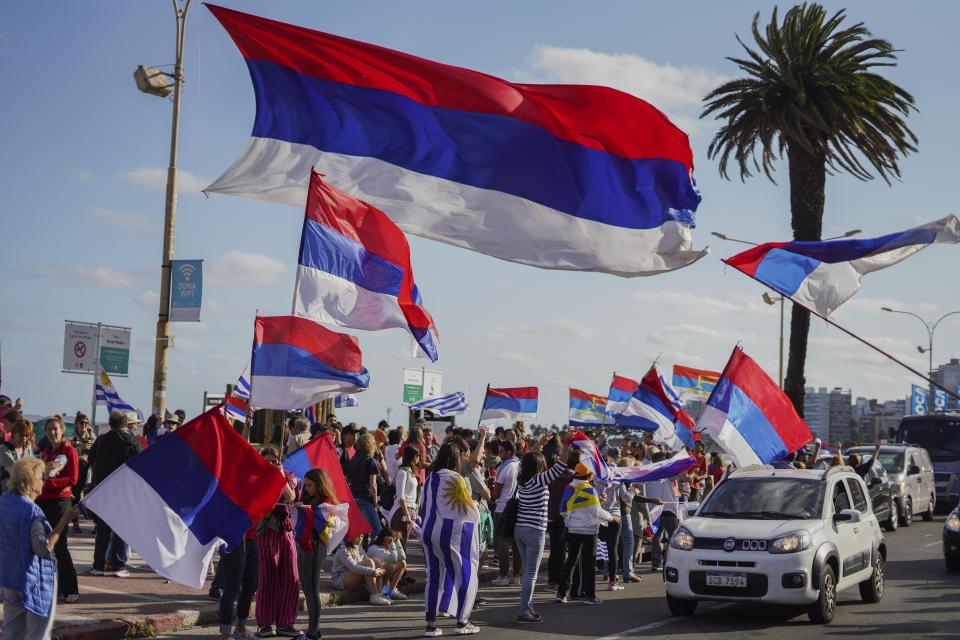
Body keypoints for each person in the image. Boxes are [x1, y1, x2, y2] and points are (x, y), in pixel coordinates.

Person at [0, 457, 80, 639]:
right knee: (38, 634)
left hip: (9, 578)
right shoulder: (32, 511)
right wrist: (64, 520)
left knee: (12, 633)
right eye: (41, 478)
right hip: (34, 580)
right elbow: (42, 548)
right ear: (31, 483)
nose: (43, 481)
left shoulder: (4, 501)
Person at [512, 435, 570, 623]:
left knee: (527, 572)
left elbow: (525, 458)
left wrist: (540, 444)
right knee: (531, 574)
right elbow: (561, 466)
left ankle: (526, 607)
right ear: (538, 465)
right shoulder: (539, 480)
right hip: (534, 531)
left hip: (519, 529)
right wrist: (567, 443)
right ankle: (524, 610)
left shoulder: (522, 479)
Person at [254, 447, 301, 638]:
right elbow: (261, 506)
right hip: (267, 531)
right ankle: (265, 624)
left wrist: (280, 476)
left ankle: (285, 622)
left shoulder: (289, 475)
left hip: (286, 530)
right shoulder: (257, 477)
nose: (271, 463)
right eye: (267, 460)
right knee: (268, 577)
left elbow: (291, 497)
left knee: (291, 577)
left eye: (274, 460)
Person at [555, 458, 616, 605]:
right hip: (589, 531)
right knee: (589, 563)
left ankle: (561, 593)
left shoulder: (569, 487)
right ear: (589, 475)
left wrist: (576, 517)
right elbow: (597, 512)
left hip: (573, 529)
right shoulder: (590, 489)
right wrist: (611, 517)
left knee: (571, 561)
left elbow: (563, 511)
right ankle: (590, 596)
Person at [87, 410, 140, 577]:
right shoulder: (132, 440)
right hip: (124, 490)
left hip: (103, 489)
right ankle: (118, 565)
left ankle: (98, 565)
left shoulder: (102, 439)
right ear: (125, 424)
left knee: (102, 529)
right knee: (121, 528)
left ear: (110, 423)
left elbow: (90, 459)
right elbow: (139, 464)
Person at [36, 416, 80, 603]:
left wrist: (49, 483)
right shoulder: (47, 451)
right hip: (44, 502)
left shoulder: (69, 451)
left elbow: (73, 479)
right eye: (49, 430)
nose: (52, 432)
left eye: (55, 429)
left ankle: (71, 589)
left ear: (62, 430)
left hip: (61, 503)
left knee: (60, 546)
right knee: (46, 546)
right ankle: (58, 588)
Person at [298, 468, 339, 640]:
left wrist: (304, 509)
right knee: (306, 589)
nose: (306, 489)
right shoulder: (307, 498)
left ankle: (313, 632)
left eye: (309, 485)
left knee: (313, 589)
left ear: (319, 485)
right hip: (303, 545)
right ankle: (313, 630)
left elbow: (319, 523)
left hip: (315, 546)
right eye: (305, 485)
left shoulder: (327, 502)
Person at [491, 440, 521, 586]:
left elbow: (496, 493)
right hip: (518, 508)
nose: (499, 454)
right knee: (516, 545)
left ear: (509, 452)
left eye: (501, 451)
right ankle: (516, 576)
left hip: (503, 508)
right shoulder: (521, 465)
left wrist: (491, 489)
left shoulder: (505, 467)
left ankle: (503, 576)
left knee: (502, 545)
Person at [330, 535, 390, 606]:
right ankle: (374, 595)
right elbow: (353, 567)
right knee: (369, 562)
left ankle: (379, 594)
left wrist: (379, 568)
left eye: (361, 536)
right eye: (357, 536)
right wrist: (373, 571)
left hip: (353, 575)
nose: (361, 538)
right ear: (350, 537)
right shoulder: (343, 549)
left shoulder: (358, 547)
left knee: (376, 561)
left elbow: (368, 560)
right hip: (341, 579)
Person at [645, 453, 681, 572]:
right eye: (663, 460)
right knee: (657, 539)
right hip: (656, 512)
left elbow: (680, 473)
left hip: (669, 510)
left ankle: (671, 563)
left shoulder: (666, 473)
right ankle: (656, 564)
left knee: (672, 539)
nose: (665, 462)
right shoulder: (649, 474)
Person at [348, 433, 383, 537]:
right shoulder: (370, 461)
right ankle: (373, 552)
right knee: (377, 531)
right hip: (365, 497)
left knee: (360, 532)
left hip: (353, 497)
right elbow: (373, 484)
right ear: (370, 445)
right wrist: (376, 502)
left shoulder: (353, 459)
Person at [389, 445, 420, 548]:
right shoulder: (403, 472)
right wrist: (408, 515)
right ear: (413, 457)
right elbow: (401, 496)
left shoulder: (411, 472)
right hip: (401, 511)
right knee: (399, 546)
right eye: (417, 456)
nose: (418, 458)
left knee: (403, 544)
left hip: (409, 511)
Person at [366, 528, 408, 601]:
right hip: (373, 581)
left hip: (383, 580)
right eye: (391, 540)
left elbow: (402, 557)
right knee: (391, 566)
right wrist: (392, 544)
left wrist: (397, 540)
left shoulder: (386, 548)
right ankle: (379, 593)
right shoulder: (375, 549)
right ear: (384, 539)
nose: (392, 542)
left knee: (402, 563)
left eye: (393, 541)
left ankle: (391, 592)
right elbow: (393, 559)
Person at [71, 412, 96, 532]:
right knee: (75, 495)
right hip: (77, 467)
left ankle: (95, 523)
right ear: (76, 424)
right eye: (82, 423)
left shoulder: (92, 436)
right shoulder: (72, 438)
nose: (84, 425)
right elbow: (68, 453)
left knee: (91, 494)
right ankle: (75, 523)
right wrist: (79, 449)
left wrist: (92, 447)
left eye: (86, 423)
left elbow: (97, 448)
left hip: (89, 468)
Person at [1, 418, 35, 493]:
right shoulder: (4, 448)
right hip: (7, 492)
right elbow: (16, 471)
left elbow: (33, 466)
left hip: (24, 491)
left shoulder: (27, 447)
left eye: (27, 435)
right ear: (14, 433)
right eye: (21, 435)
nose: (24, 438)